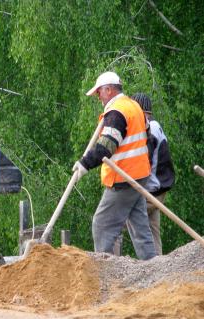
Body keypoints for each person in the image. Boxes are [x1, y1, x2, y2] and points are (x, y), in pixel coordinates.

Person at [72, 71, 157, 260]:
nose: (98, 97)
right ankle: (153, 266)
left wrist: (84, 164)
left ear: (109, 90)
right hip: (139, 175)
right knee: (139, 226)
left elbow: (106, 146)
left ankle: (104, 272)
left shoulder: (117, 112)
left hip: (124, 178)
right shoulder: (133, 106)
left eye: (99, 93)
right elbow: (149, 140)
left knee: (102, 224)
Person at [129, 93, 175, 255]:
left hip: (152, 187)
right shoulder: (155, 126)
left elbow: (142, 161)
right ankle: (158, 264)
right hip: (159, 187)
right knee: (152, 226)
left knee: (122, 215)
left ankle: (110, 258)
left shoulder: (149, 129)